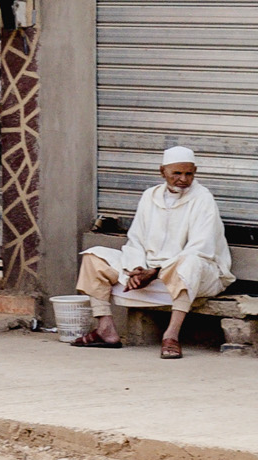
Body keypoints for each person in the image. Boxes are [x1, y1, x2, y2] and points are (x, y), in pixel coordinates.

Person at [80, 144, 233, 357]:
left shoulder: (203, 198)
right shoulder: (149, 196)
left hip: (196, 276)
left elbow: (201, 248)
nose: (183, 179)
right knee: (93, 256)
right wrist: (137, 268)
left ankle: (171, 336)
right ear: (162, 172)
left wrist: (155, 272)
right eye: (176, 173)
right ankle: (106, 329)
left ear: (195, 172)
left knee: (190, 262)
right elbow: (136, 239)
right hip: (148, 272)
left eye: (189, 174)